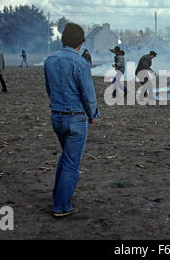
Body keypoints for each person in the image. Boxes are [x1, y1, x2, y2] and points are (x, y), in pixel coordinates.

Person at [44, 22, 100, 217]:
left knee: (66, 157)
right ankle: (61, 206)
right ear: (81, 43)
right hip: (75, 118)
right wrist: (93, 114)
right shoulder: (80, 63)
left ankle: (57, 195)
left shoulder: (50, 60)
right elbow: (88, 94)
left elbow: (49, 89)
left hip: (56, 116)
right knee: (71, 163)